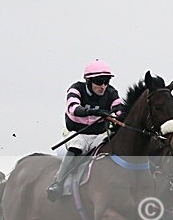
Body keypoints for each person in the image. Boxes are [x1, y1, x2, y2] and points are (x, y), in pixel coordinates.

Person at [46, 59, 126, 201]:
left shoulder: (111, 92)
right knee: (77, 146)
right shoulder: (76, 89)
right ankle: (57, 183)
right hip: (78, 133)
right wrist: (95, 111)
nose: (103, 86)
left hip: (100, 134)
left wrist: (116, 113)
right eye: (99, 82)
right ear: (89, 81)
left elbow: (119, 108)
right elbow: (74, 108)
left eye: (106, 81)